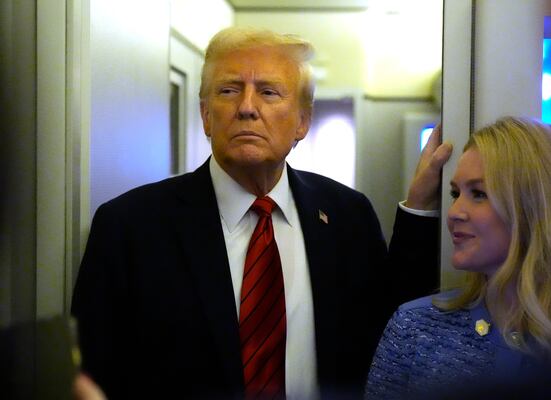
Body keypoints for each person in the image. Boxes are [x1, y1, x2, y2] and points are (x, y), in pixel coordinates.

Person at [71, 27, 437, 399]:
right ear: (206, 116)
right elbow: (91, 374)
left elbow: (396, 335)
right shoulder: (130, 226)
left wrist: (421, 209)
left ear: (302, 122)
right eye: (229, 90)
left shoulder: (347, 215)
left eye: (268, 92)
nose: (247, 107)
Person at [365, 117, 551, 399]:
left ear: (534, 204)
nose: (455, 211)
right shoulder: (415, 326)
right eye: (455, 193)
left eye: (479, 194)